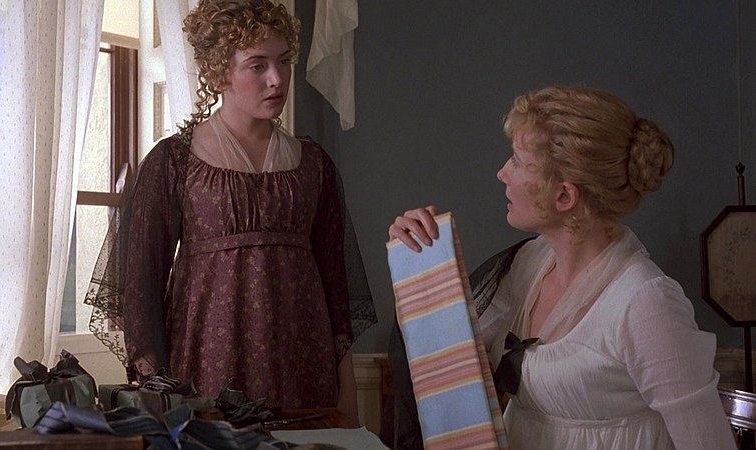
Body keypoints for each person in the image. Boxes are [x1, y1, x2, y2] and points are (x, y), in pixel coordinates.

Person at [386, 86, 735, 449]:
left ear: (565, 196)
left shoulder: (646, 304)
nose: (502, 173)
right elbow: (449, 367)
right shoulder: (528, 265)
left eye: (517, 161)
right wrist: (418, 261)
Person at [85, 0, 376, 425]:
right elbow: (141, 292)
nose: (277, 78)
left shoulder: (315, 165)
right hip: (206, 368)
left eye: (284, 61)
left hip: (304, 366)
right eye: (257, 65)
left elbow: (336, 289)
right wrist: (159, 400)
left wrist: (347, 400)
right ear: (219, 72)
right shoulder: (174, 162)